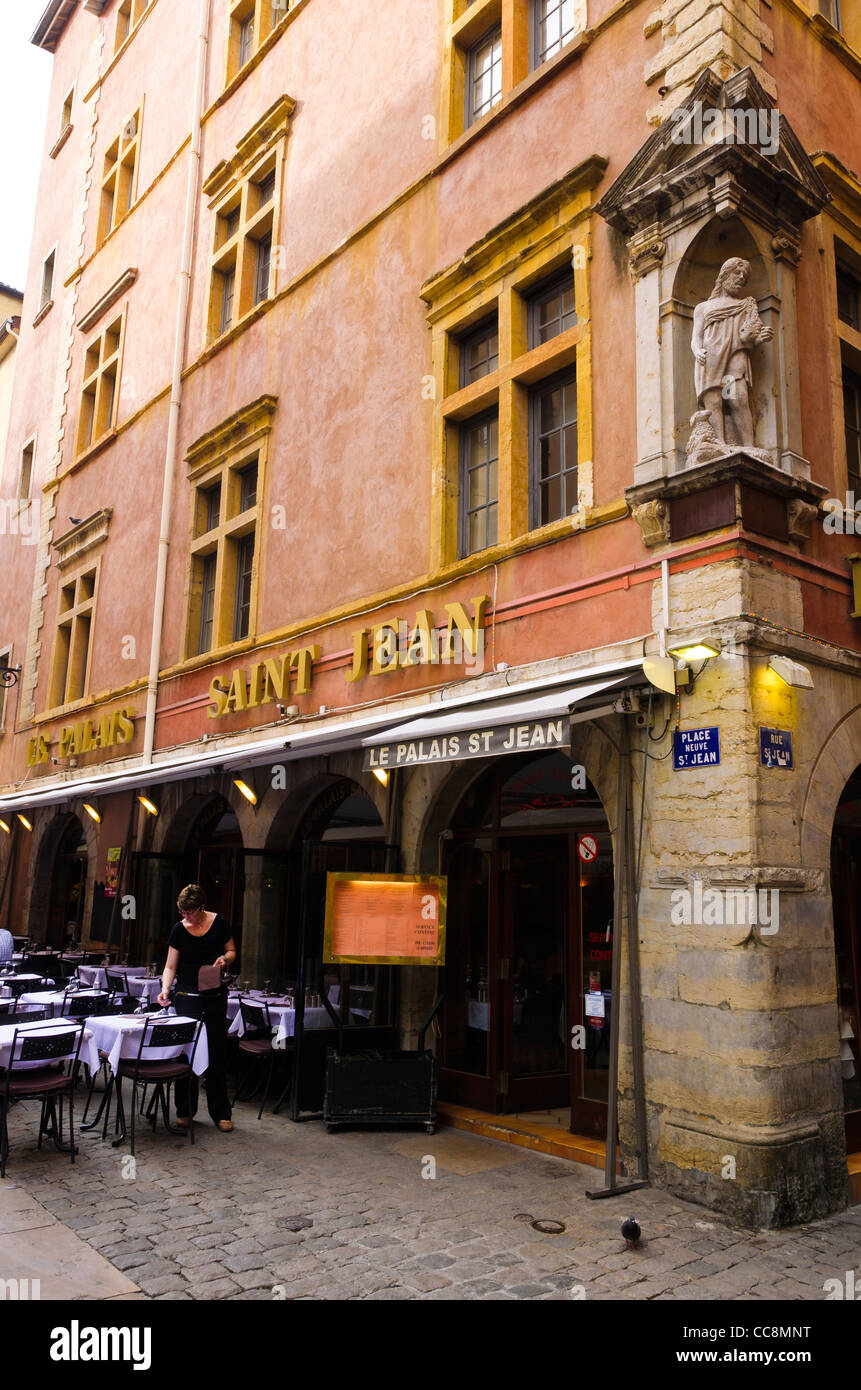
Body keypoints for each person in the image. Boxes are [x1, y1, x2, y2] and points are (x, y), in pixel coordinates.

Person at [157, 884, 237, 1132]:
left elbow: (232, 950)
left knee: (216, 1053)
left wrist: (225, 959)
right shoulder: (178, 930)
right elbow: (170, 966)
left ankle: (221, 1113)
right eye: (182, 911)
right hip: (186, 995)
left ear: (202, 907)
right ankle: (184, 1110)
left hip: (213, 994)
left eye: (190, 912)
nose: (185, 916)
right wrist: (165, 988)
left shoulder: (220, 923)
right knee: (186, 1053)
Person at [691, 256, 773, 450]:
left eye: (744, 277)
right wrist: (697, 350)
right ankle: (719, 444)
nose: (740, 278)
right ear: (724, 275)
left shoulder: (746, 305)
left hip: (735, 356)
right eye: (737, 273)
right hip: (710, 357)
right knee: (714, 401)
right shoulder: (703, 307)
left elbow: (748, 337)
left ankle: (749, 446)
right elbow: (696, 336)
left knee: (736, 398)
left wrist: (761, 338)